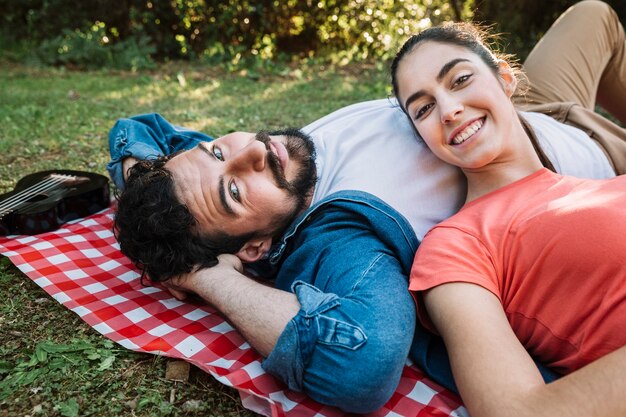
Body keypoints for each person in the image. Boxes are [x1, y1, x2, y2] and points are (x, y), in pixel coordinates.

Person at [107, 5, 624, 412]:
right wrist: (206, 276)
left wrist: (141, 192)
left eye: (218, 150)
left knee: (594, 14)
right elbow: (361, 365)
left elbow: (138, 128)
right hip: (590, 151)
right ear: (255, 246)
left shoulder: (272, 158)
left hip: (512, 106)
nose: (252, 151)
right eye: (235, 192)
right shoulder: (341, 238)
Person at [391, 1, 626, 416]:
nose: (449, 111)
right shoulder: (456, 245)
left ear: (505, 78)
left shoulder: (591, 184)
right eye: (423, 109)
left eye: (460, 80)